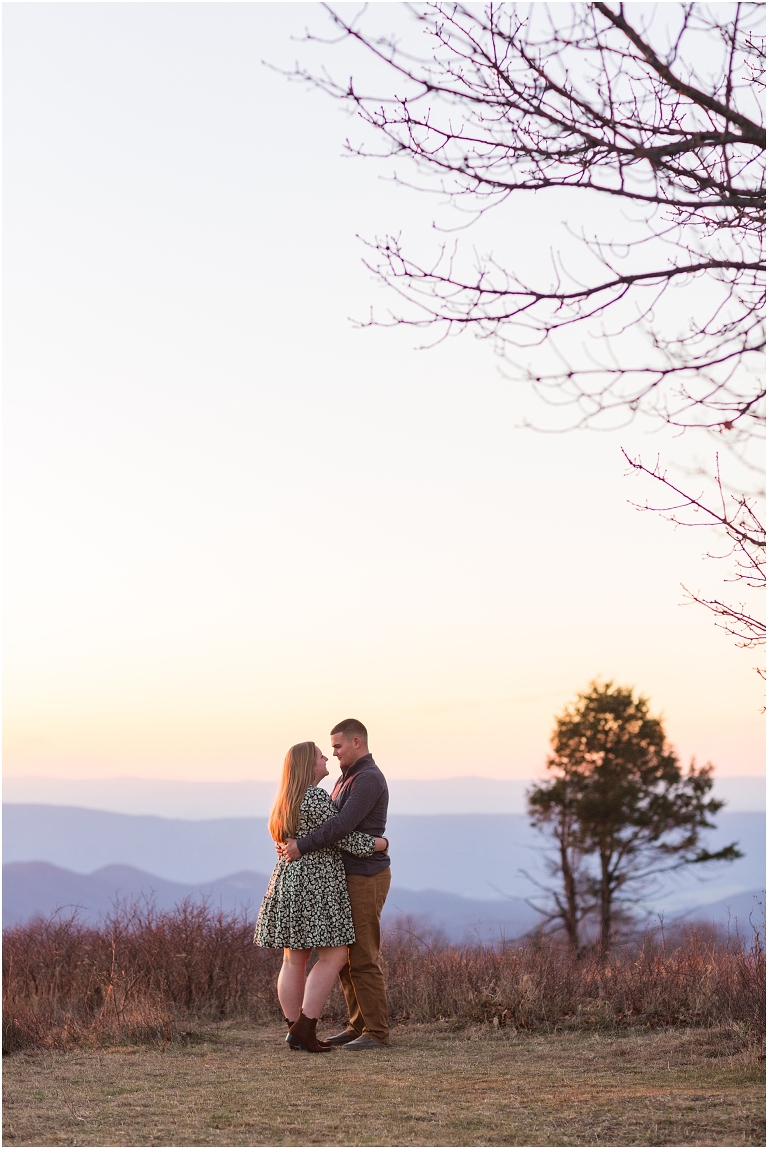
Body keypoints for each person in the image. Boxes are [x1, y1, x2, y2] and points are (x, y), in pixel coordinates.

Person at [255, 740, 388, 1053]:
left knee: (294, 958)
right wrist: (379, 844)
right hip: (317, 884)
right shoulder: (314, 797)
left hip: (287, 881)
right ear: (307, 765)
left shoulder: (285, 799)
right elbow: (341, 834)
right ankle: (306, 1026)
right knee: (335, 956)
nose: (326, 757)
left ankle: (295, 1029)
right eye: (319, 755)